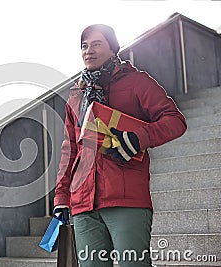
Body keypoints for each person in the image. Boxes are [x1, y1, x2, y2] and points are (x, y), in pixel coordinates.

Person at [53, 24, 187, 267]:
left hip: (126, 198)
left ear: (113, 48)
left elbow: (175, 121)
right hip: (83, 203)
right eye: (84, 46)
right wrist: (62, 196)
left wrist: (138, 138)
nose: (88, 51)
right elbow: (70, 148)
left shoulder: (137, 82)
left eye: (96, 44)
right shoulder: (77, 94)